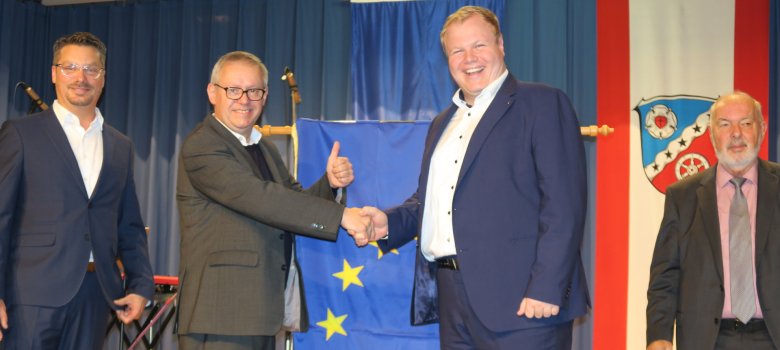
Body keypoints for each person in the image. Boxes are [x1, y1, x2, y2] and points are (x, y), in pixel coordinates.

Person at [359, 6, 589, 349]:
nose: (469, 58)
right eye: (457, 50)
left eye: (479, 45)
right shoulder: (441, 123)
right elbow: (432, 202)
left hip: (524, 304)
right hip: (453, 301)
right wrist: (388, 223)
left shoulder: (541, 103)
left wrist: (546, 287)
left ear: (501, 45)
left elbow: (564, 205)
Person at [176, 51, 369, 349]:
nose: (245, 99)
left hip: (261, 309)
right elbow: (261, 199)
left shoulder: (263, 147)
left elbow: (292, 203)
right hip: (221, 315)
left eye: (254, 91)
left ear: (265, 96)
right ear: (213, 93)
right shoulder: (203, 145)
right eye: (233, 90)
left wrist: (329, 185)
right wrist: (342, 217)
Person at [0, 32, 154, 349]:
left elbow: (130, 225)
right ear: (54, 73)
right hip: (31, 296)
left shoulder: (119, 146)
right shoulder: (20, 134)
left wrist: (140, 284)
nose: (81, 78)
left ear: (103, 78)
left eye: (91, 69)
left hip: (96, 295)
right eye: (70, 67)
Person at [646, 91, 780, 350]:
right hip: (707, 339)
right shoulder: (682, 196)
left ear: (762, 129)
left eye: (746, 123)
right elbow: (665, 275)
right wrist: (658, 335)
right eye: (725, 124)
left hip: (772, 336)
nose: (736, 133)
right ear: (711, 134)